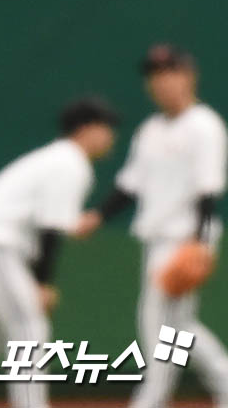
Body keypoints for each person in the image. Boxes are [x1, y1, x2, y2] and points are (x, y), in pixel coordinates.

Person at [0, 96, 118, 408]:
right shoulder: (70, 162)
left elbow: (50, 222)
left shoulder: (54, 158)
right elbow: (50, 228)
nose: (110, 136)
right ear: (85, 129)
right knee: (29, 329)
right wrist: (42, 284)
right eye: (105, 127)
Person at [77, 44, 228, 408]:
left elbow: (208, 188)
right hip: (158, 239)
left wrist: (200, 243)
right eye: (154, 75)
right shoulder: (150, 130)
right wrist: (98, 216)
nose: (161, 82)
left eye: (169, 72)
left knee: (157, 326)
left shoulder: (204, 125)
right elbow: (130, 185)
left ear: (188, 76)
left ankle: (151, 398)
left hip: (185, 237)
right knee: (178, 329)